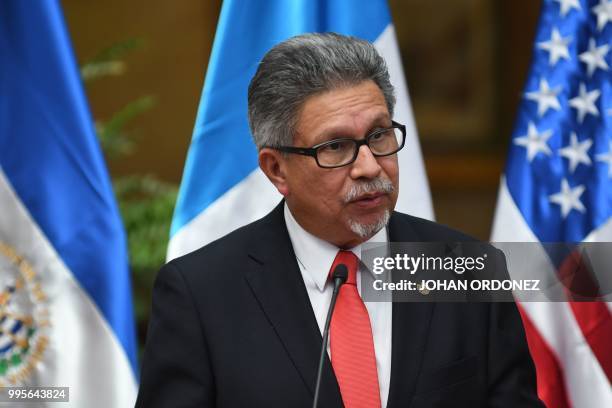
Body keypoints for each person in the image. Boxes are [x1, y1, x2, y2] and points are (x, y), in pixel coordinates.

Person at [136, 33, 542, 407]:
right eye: (335, 146)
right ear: (277, 169)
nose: (369, 166)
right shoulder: (201, 294)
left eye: (379, 135)